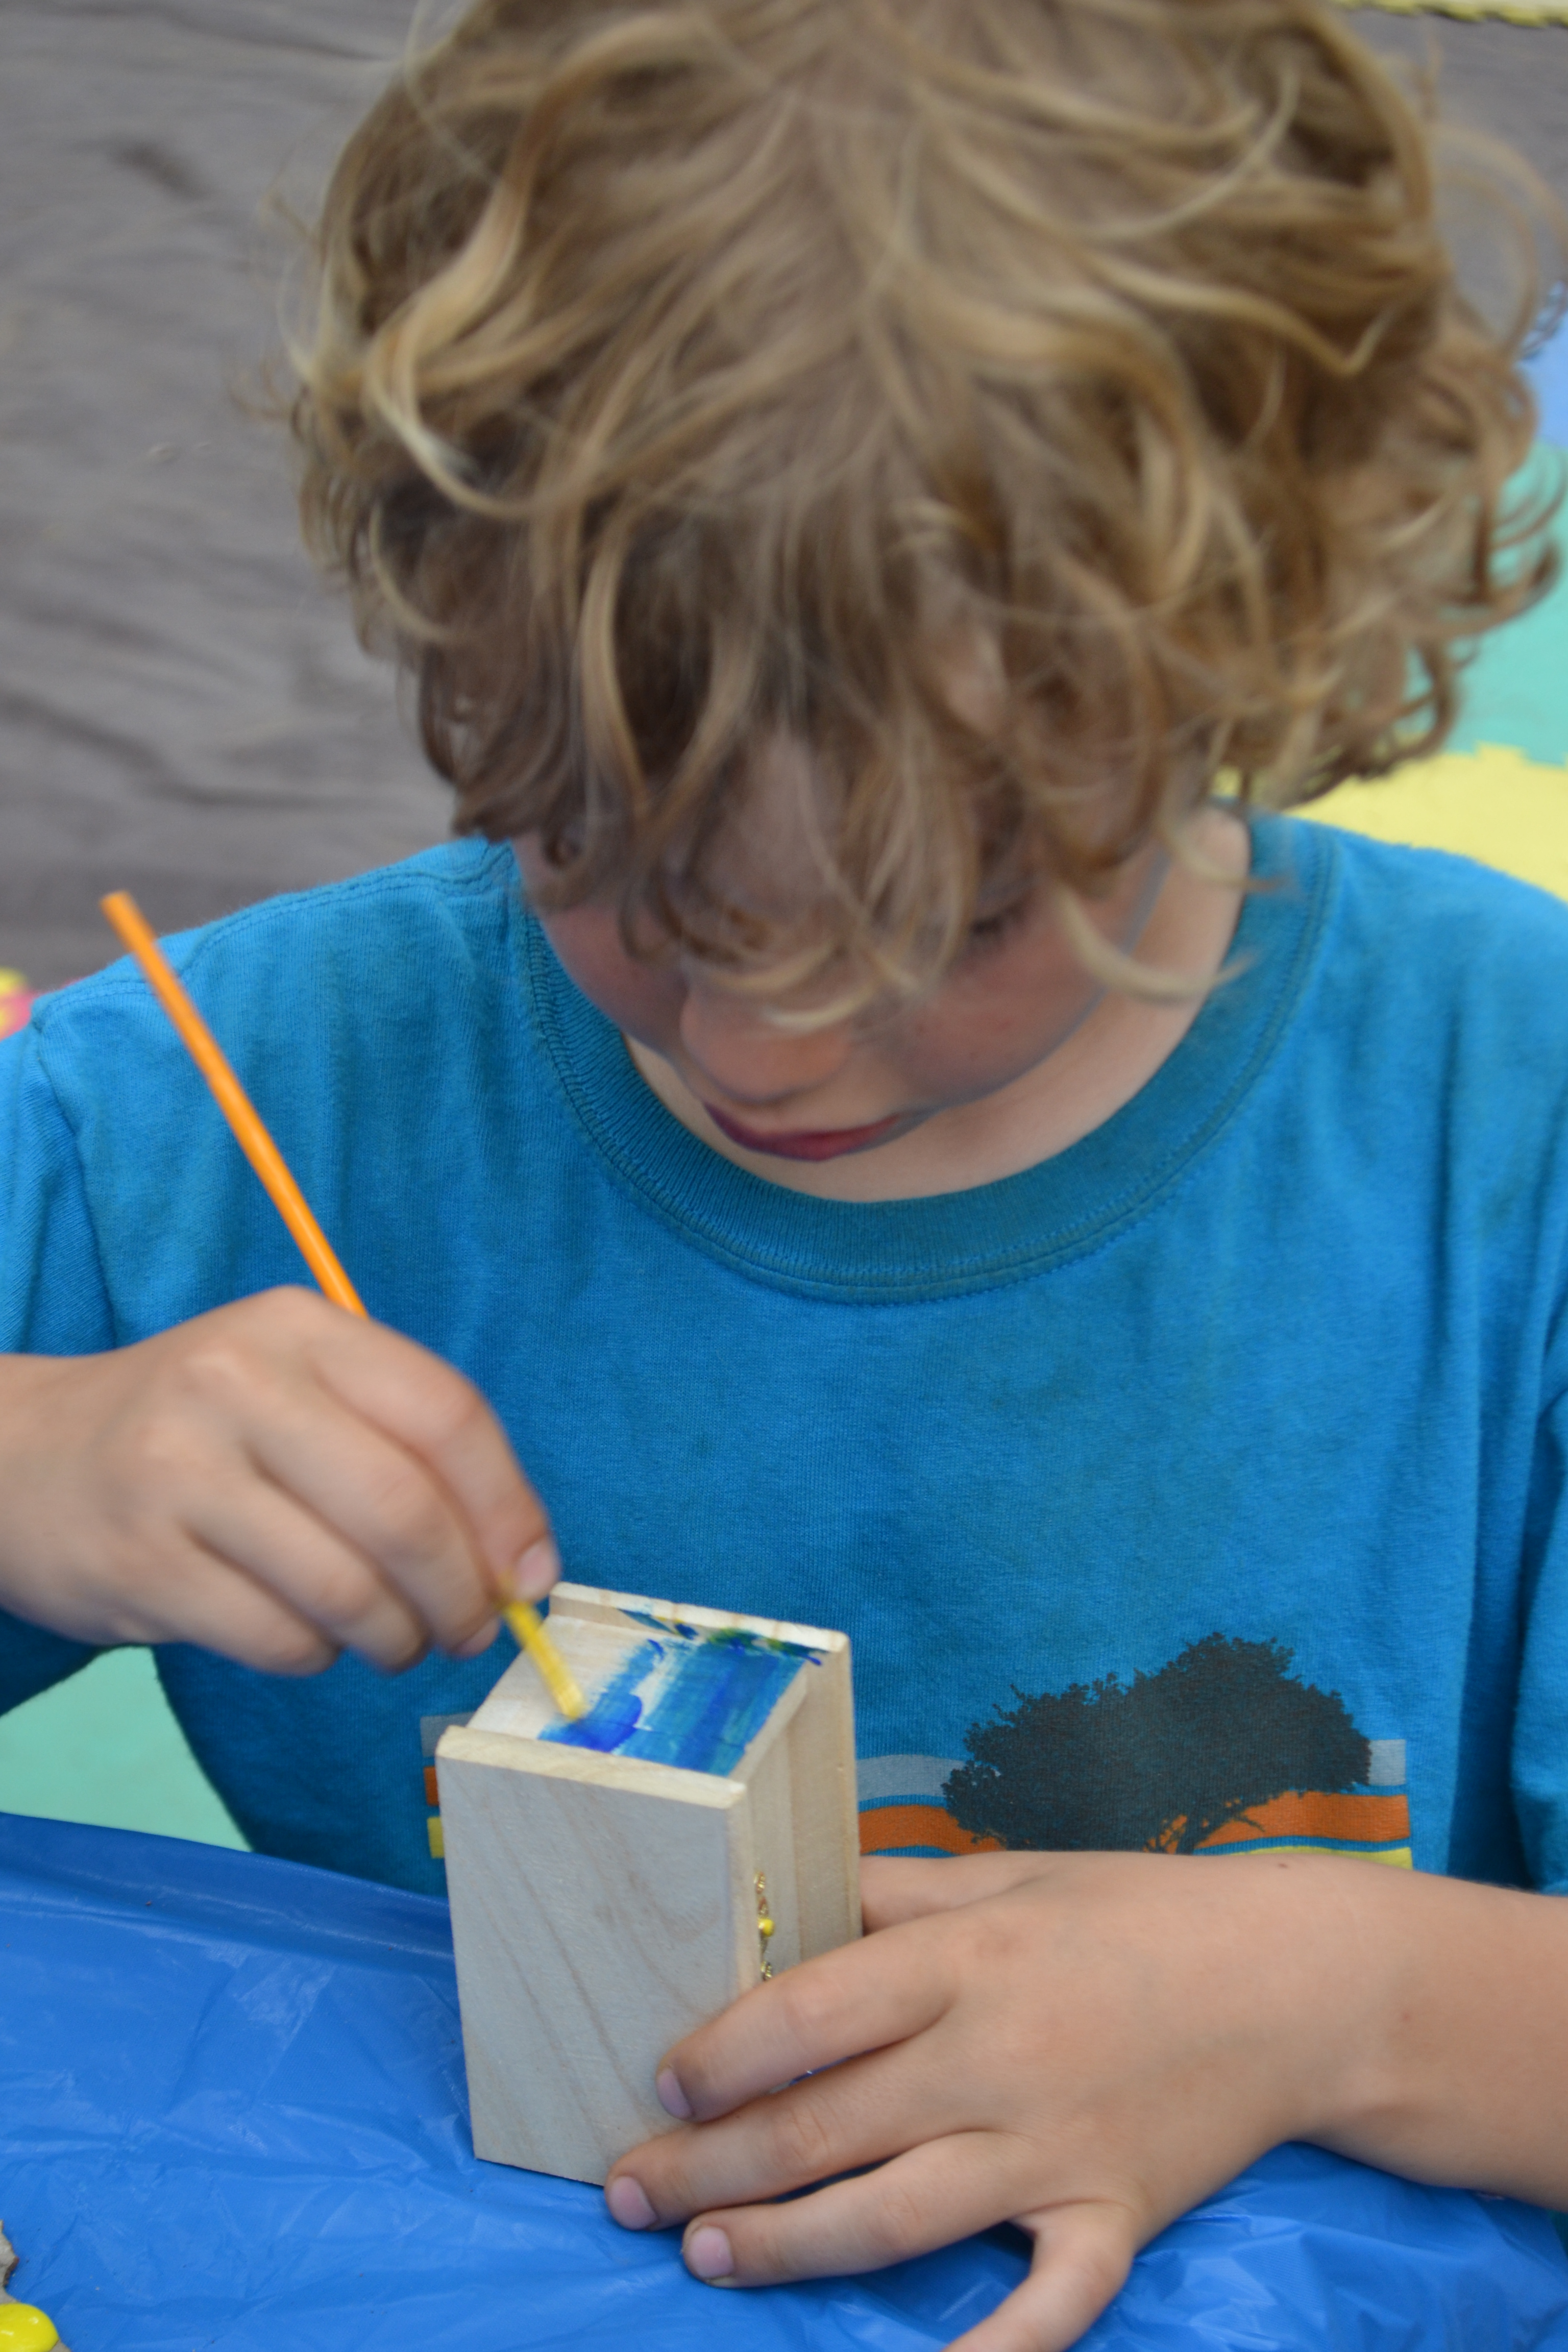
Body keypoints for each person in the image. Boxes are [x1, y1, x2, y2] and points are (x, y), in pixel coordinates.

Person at [3, 0, 1567, 2341]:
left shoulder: (1504, 1137)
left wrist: (1334, 1998)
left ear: (1242, 656)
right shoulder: (210, 1116)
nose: (759, 1045)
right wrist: (29, 1460)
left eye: (950, 918)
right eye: (603, 855)